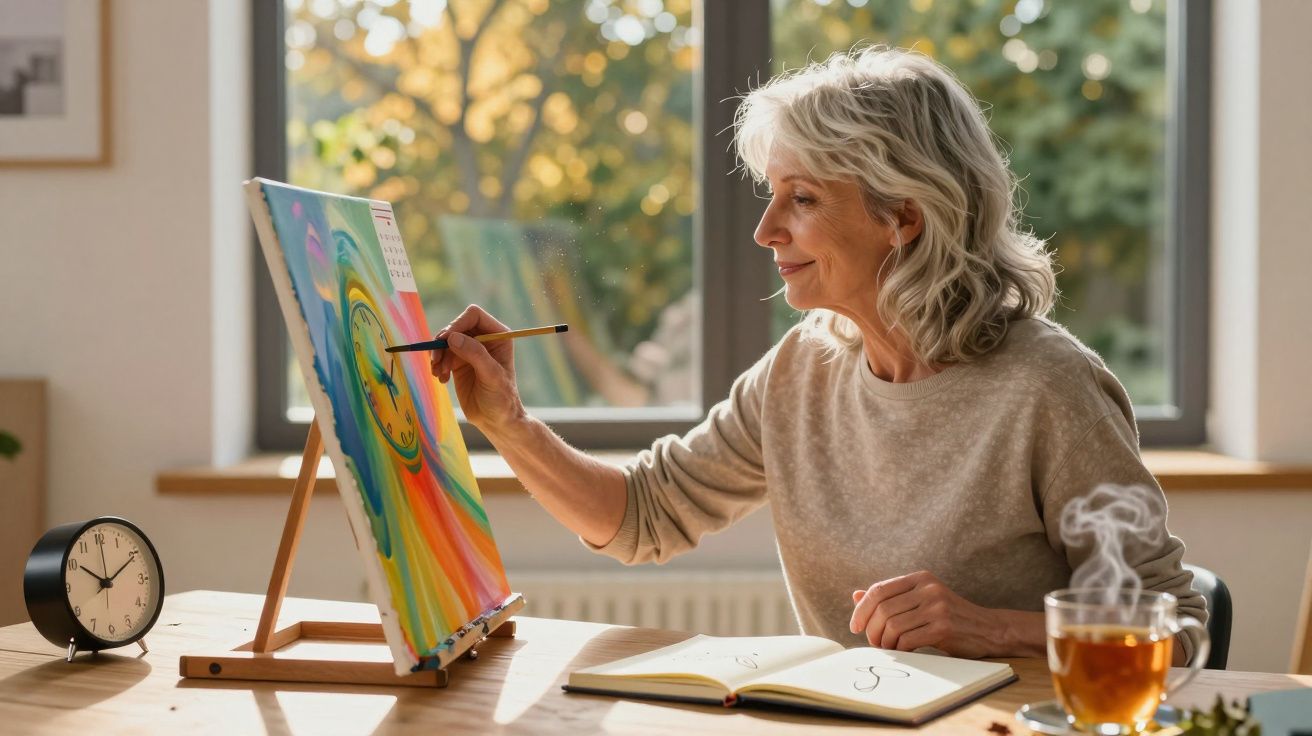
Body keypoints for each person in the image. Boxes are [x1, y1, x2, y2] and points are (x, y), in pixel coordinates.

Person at [429, 46, 1205, 664]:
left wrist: (989, 629)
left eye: (800, 200)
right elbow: (642, 516)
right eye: (772, 196)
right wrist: (509, 423)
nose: (767, 231)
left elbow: (1175, 627)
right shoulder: (804, 367)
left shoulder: (1047, 385)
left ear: (901, 217)